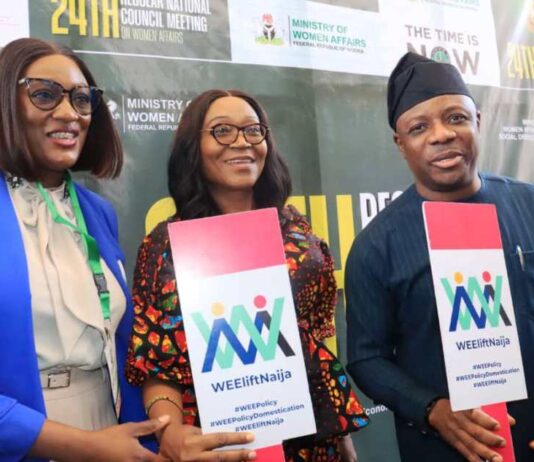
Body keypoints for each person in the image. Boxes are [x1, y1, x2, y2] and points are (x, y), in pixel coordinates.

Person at [126, 89, 369, 462]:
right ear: (194, 147)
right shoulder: (166, 246)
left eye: (253, 130)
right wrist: (170, 432)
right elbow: (157, 361)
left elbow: (313, 342)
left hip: (314, 442)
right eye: (222, 131)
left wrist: (339, 433)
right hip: (222, 445)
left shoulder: (296, 231)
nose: (241, 142)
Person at [345, 51, 534, 462]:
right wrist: (433, 410)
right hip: (444, 449)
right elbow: (366, 358)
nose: (441, 135)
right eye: (419, 127)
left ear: (478, 122)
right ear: (401, 144)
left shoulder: (528, 204)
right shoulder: (377, 246)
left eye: (456, 118)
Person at [0, 38, 170, 462]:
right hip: (24, 439)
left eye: (81, 99)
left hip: (110, 428)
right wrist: (84, 446)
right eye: (44, 95)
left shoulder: (98, 212)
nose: (68, 113)